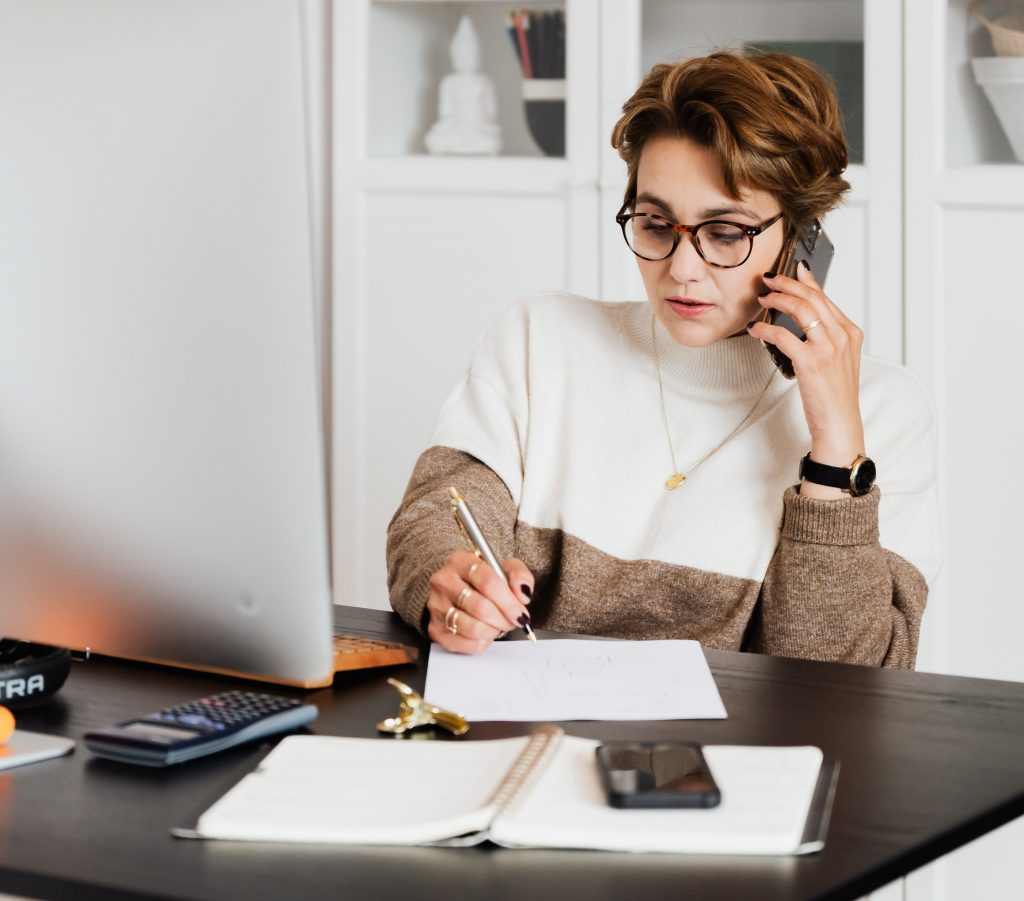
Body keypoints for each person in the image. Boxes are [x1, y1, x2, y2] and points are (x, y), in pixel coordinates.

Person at [387, 50, 940, 669]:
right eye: (655, 224)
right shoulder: (540, 339)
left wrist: (836, 455)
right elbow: (434, 522)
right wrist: (452, 581)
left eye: (726, 233)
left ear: (804, 238)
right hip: (525, 736)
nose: (681, 270)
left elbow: (841, 682)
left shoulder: (884, 411)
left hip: (737, 761)